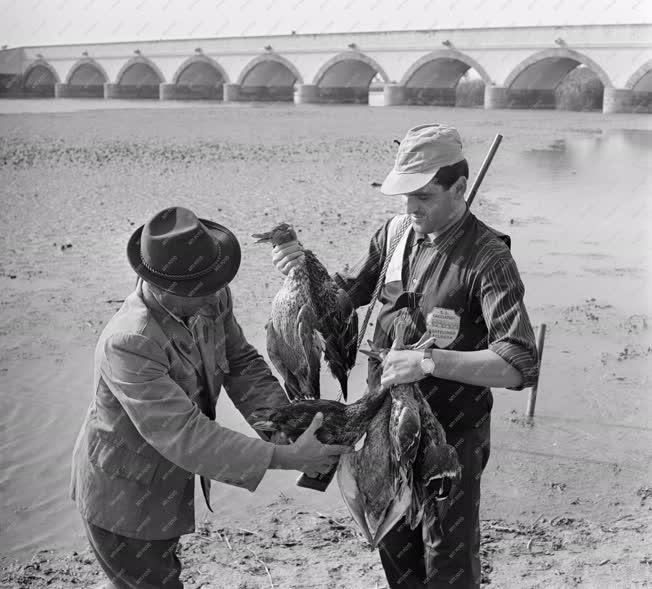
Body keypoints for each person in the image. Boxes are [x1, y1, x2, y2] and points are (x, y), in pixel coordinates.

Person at [272, 124, 539, 588]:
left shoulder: (489, 259)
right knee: (394, 546)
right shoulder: (395, 234)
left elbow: (518, 365)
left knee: (447, 562)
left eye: (424, 197)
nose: (411, 208)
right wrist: (303, 269)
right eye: (404, 196)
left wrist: (430, 362)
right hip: (383, 429)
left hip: (450, 437)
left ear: (459, 188)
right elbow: (343, 298)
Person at [70, 206, 352, 589]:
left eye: (214, 281)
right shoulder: (130, 342)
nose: (213, 295)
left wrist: (284, 426)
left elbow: (241, 363)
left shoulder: (209, 296)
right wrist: (286, 457)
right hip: (123, 497)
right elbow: (185, 435)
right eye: (201, 289)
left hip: (167, 483)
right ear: (164, 287)